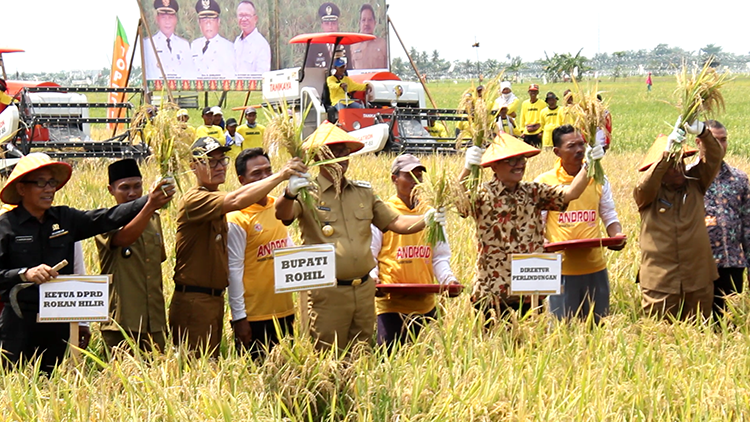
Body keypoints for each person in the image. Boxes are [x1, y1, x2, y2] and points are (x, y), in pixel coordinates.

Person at [274, 123, 445, 352]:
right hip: (328, 293)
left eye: (345, 152)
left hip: (363, 290)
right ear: (318, 156)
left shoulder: (363, 192)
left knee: (361, 353)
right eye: (335, 151)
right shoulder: (307, 193)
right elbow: (283, 214)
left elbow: (396, 222)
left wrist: (427, 219)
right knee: (327, 355)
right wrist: (289, 192)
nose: (343, 158)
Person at [0, 153, 173, 373]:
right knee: (16, 382)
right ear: (22, 189)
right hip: (20, 321)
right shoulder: (6, 226)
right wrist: (24, 273)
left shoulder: (64, 219)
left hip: (58, 320)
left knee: (54, 384)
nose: (49, 189)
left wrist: (149, 201)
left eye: (52, 182)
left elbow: (108, 217)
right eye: (41, 183)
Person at [170, 137, 307, 357]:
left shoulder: (224, 200)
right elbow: (236, 201)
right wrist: (281, 176)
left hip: (215, 299)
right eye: (210, 162)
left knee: (211, 366)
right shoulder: (196, 200)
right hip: (196, 300)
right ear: (193, 167)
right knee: (195, 369)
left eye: (221, 160)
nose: (218, 167)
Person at [460, 133, 602, 322]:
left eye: (521, 159)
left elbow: (571, 193)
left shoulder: (534, 192)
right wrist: (467, 169)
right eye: (511, 161)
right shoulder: (482, 195)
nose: (519, 164)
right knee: (493, 347)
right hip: (493, 291)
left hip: (530, 290)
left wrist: (589, 165)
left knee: (531, 347)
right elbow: (459, 204)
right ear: (494, 165)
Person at [535, 125, 625, 323]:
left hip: (594, 265)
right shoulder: (544, 182)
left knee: (597, 327)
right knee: (561, 330)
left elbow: (609, 214)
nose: (579, 150)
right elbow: (537, 227)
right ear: (557, 152)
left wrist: (616, 235)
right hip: (560, 269)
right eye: (571, 146)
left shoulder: (599, 178)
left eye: (581, 144)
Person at [634, 118, 721, 321]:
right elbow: (644, 186)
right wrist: (666, 156)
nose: (680, 167)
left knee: (700, 336)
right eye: (673, 165)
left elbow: (715, 158)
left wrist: (702, 132)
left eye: (681, 161)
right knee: (659, 338)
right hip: (660, 283)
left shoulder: (696, 184)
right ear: (660, 170)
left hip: (698, 279)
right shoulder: (647, 195)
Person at [370, 154, 458, 348]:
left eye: (419, 175)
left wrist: (448, 281)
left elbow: (440, 256)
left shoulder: (432, 214)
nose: (416, 181)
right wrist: (373, 278)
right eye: (409, 176)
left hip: (424, 304)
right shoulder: (384, 211)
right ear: (394, 179)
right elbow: (371, 253)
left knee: (425, 365)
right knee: (389, 362)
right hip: (391, 304)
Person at [227, 148, 299, 359]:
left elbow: (289, 249)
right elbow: (234, 271)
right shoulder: (237, 218)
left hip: (285, 311)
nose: (265, 177)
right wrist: (239, 318)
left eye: (268, 171)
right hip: (254, 316)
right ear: (242, 180)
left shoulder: (278, 206)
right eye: (257, 174)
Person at [96, 159, 175, 352]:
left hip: (154, 321)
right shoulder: (105, 221)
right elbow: (124, 238)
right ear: (110, 190)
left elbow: (158, 261)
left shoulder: (154, 219)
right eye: (125, 188)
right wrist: (149, 205)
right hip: (122, 322)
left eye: (137, 186)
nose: (132, 193)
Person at [696, 120, 750, 317]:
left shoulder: (739, 179)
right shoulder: (688, 178)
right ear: (698, 142)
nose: (719, 145)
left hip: (732, 263)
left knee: (730, 323)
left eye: (723, 140)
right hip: (698, 265)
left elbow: (747, 227)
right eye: (713, 140)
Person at [143, 0, 196, 80]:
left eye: (170, 18)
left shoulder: (184, 45)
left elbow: (190, 74)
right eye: (163, 17)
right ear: (157, 19)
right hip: (156, 91)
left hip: (181, 91)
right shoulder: (148, 44)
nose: (167, 22)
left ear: (175, 20)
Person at [191, 0, 235, 79]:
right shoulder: (194, 45)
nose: (208, 24)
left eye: (212, 19)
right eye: (204, 20)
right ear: (199, 23)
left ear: (218, 22)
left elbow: (231, 78)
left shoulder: (228, 47)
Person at [305, 2, 352, 69]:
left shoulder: (344, 44)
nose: (330, 27)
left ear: (337, 25)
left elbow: (350, 70)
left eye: (333, 23)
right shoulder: (314, 47)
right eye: (327, 24)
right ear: (322, 26)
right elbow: (308, 71)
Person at [234, 0, 271, 77]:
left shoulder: (261, 45)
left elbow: (262, 77)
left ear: (255, 19)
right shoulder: (237, 42)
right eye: (241, 15)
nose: (243, 19)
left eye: (247, 15)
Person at [350, 4, 387, 70]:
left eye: (370, 20)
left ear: (374, 23)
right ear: (359, 23)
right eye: (363, 20)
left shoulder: (383, 44)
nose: (366, 23)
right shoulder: (353, 46)